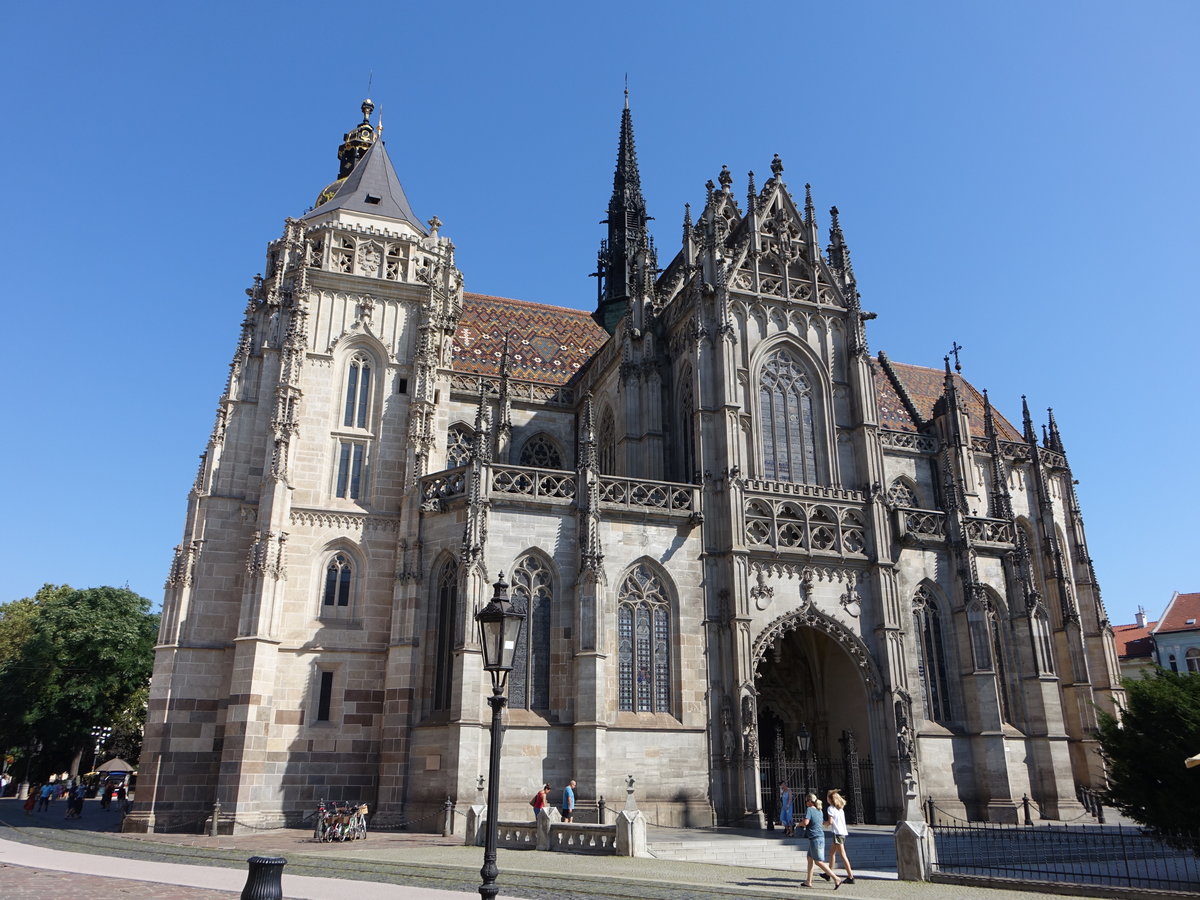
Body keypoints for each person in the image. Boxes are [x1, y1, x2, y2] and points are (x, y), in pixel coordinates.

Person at [800, 793, 840, 889]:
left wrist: (799, 824)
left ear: (810, 802)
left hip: (815, 838)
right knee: (810, 858)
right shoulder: (820, 810)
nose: (805, 803)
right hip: (819, 837)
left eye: (806, 801)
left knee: (818, 861)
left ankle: (836, 878)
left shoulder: (809, 809)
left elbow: (806, 822)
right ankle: (808, 881)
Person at [825, 789, 855, 884]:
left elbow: (830, 822)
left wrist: (823, 823)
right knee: (831, 853)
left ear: (830, 799)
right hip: (842, 832)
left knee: (842, 855)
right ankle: (828, 873)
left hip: (837, 833)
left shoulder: (830, 809)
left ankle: (850, 876)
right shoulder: (840, 809)